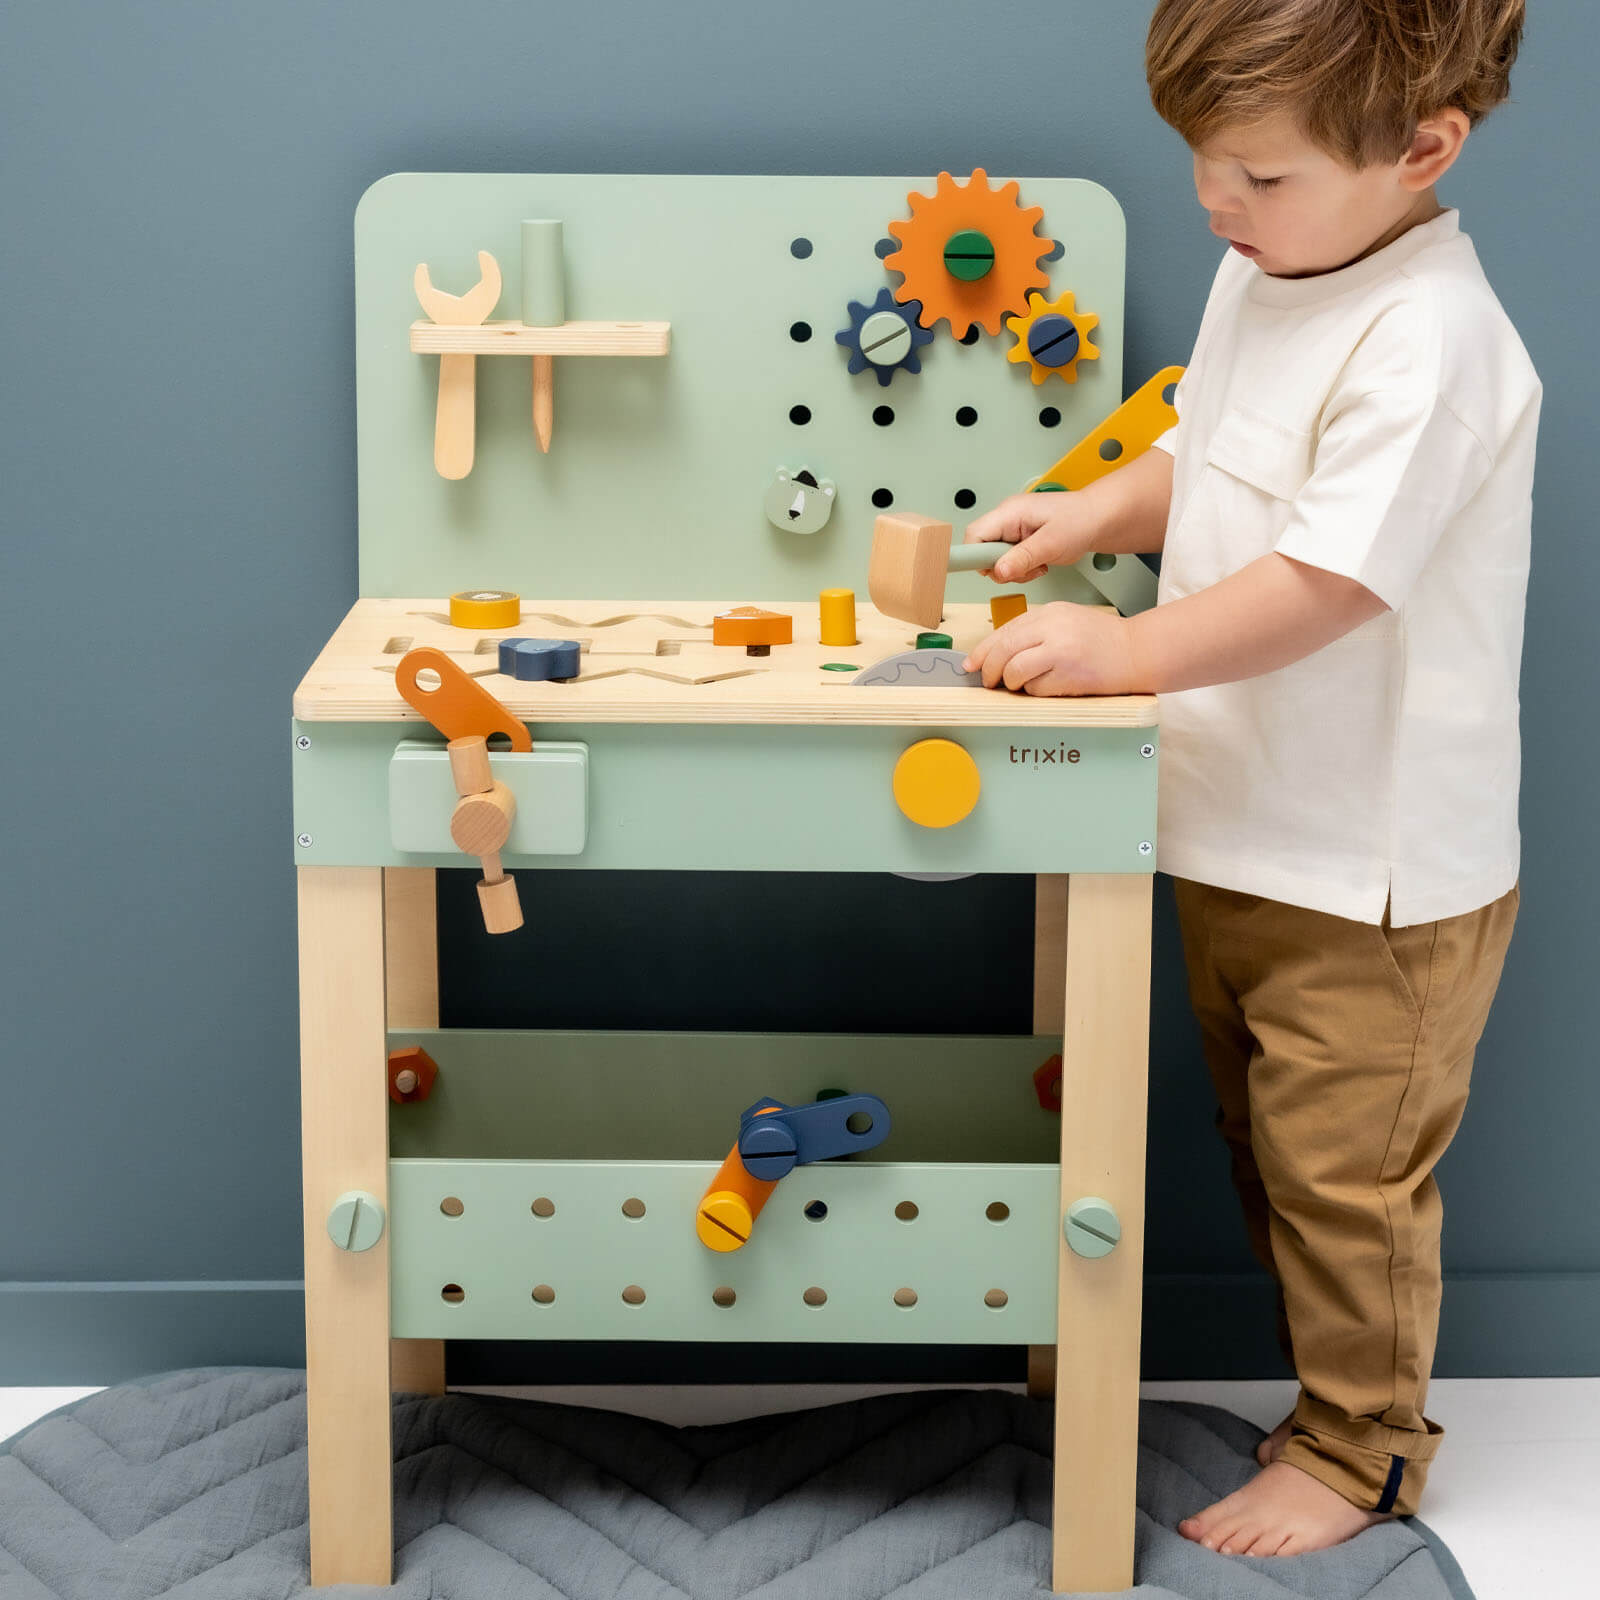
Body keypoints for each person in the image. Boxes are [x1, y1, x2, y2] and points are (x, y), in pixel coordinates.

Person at [962, 0, 1537, 1558]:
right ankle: (1325, 1407)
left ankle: (1364, 1451)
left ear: (1422, 151)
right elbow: (1215, 446)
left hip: (1373, 871)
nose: (1218, 202)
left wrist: (1120, 656)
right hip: (1244, 830)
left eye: (1259, 177)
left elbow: (1327, 579)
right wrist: (1096, 513)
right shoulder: (1268, 269)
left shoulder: (1432, 340)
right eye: (1204, 166)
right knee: (1270, 1149)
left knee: (1345, 1174)